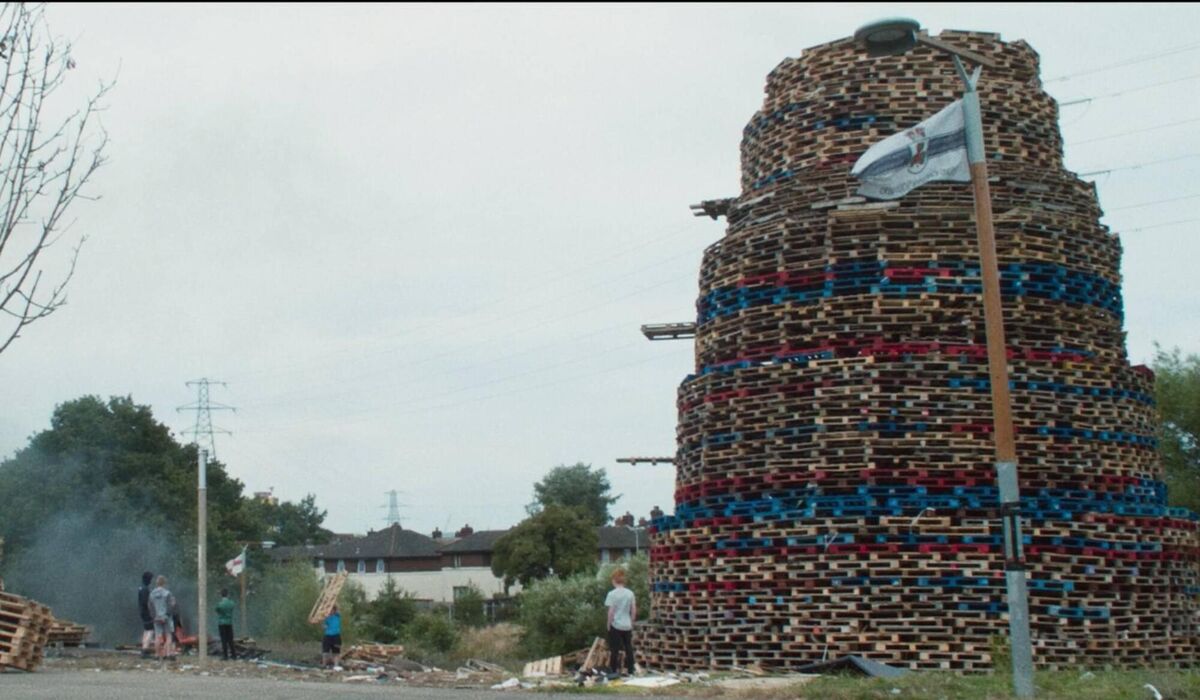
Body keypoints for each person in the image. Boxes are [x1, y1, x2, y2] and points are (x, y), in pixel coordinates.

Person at [605, 568, 637, 677]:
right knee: (628, 647)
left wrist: (608, 624)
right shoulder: (630, 593)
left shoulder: (611, 594)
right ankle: (631, 670)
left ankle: (614, 670)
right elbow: (633, 609)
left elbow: (611, 611)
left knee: (614, 649)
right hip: (627, 624)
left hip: (616, 624)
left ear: (614, 580)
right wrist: (632, 622)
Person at [146, 575, 177, 661]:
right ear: (164, 583)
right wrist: (169, 612)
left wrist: (153, 616)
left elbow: (150, 606)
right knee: (168, 635)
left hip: (156, 618)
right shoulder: (167, 593)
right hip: (166, 617)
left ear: (156, 583)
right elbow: (170, 606)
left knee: (157, 636)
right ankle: (168, 654)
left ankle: (157, 655)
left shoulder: (152, 593)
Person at [216, 588, 236, 660]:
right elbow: (232, 607)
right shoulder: (231, 603)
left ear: (221, 595)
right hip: (229, 623)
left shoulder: (220, 604)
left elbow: (217, 610)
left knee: (223, 640)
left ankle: (225, 656)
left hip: (221, 623)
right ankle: (234, 655)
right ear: (228, 594)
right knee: (230, 639)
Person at [137, 571, 155, 658]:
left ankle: (144, 648)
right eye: (151, 579)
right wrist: (151, 612)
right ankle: (145, 649)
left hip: (142, 611)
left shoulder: (141, 587)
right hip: (146, 612)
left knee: (146, 630)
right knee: (150, 630)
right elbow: (146, 602)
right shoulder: (145, 589)